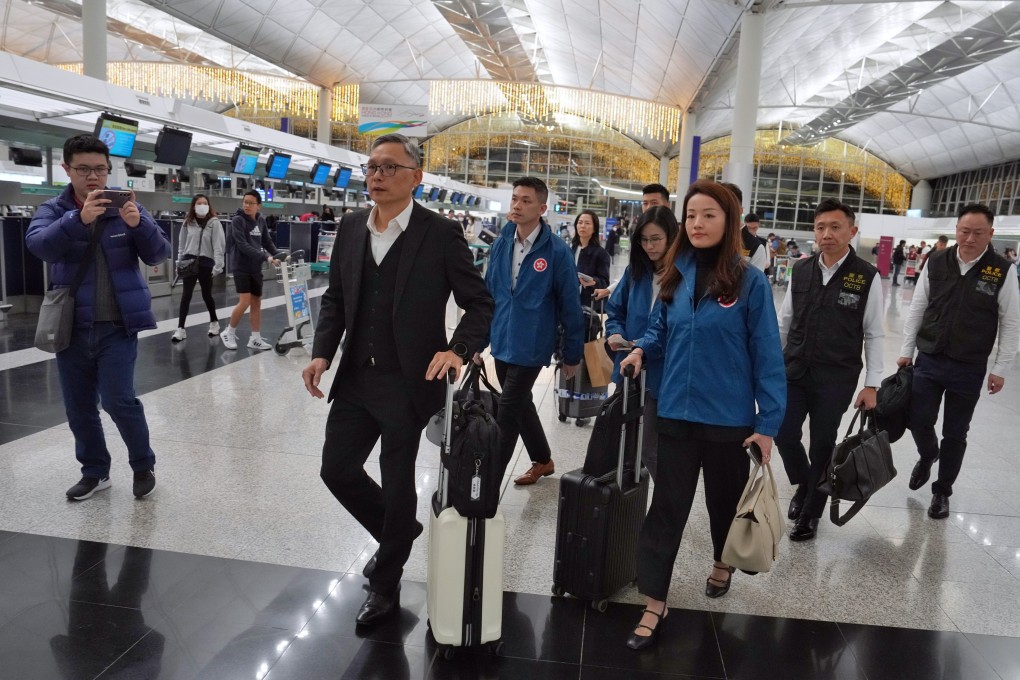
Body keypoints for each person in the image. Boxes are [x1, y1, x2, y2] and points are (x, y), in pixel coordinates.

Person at [301, 133, 493, 626]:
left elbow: (480, 303)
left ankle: (385, 585)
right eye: (371, 168)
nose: (377, 176)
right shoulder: (350, 228)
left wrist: (458, 349)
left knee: (398, 476)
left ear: (416, 176)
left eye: (389, 167)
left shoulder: (439, 233)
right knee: (337, 470)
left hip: (408, 384)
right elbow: (337, 301)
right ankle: (400, 531)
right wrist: (322, 353)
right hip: (356, 381)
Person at [619, 180, 785, 650]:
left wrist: (767, 424)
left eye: (708, 214)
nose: (697, 223)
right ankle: (655, 601)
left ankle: (720, 561)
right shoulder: (675, 272)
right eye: (691, 215)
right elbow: (659, 329)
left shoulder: (749, 281)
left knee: (723, 504)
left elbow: (767, 354)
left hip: (728, 417)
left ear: (728, 220)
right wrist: (641, 352)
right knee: (666, 508)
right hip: (674, 409)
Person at [26, 134, 170, 501]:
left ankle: (142, 465)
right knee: (79, 406)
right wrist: (78, 219)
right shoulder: (55, 210)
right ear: (67, 169)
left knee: (120, 399)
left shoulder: (126, 205)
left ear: (109, 169)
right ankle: (95, 471)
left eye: (100, 169)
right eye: (84, 169)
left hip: (119, 325)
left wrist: (140, 225)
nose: (93, 177)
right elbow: (39, 245)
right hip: (71, 325)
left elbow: (158, 255)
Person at [898, 203, 1019, 519]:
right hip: (930, 357)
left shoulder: (1001, 270)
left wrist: (1001, 369)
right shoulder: (936, 261)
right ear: (956, 230)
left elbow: (1011, 321)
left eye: (978, 233)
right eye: (965, 231)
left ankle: (941, 492)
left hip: (969, 365)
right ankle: (928, 455)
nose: (970, 238)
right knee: (917, 418)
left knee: (955, 431)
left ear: (990, 234)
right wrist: (906, 351)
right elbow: (918, 307)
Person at [774, 199, 885, 541]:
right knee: (783, 432)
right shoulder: (802, 268)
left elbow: (874, 331)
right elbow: (785, 321)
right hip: (793, 368)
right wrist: (771, 364)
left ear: (852, 231)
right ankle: (806, 484)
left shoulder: (866, 275)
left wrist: (872, 384)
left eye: (835, 227)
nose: (827, 234)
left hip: (836, 376)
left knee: (823, 443)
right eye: (821, 227)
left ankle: (811, 512)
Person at [481, 176, 585, 486]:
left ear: (541, 207)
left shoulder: (556, 251)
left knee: (509, 410)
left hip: (533, 344)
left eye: (526, 200)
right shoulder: (501, 243)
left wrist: (572, 353)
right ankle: (543, 460)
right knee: (521, 402)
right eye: (515, 198)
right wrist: (476, 341)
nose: (517, 205)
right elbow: (489, 296)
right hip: (501, 341)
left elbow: (571, 306)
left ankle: (487, 487)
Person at [604, 206, 679, 481]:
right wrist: (615, 333)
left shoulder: (683, 275)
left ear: (672, 236)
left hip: (664, 371)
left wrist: (642, 345)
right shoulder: (636, 271)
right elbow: (615, 310)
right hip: (629, 367)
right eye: (644, 240)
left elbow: (673, 327)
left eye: (656, 239)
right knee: (623, 442)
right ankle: (629, 507)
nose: (649, 246)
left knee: (651, 449)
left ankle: (667, 508)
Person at [221, 191, 280, 351]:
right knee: (245, 301)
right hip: (241, 266)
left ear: (258, 205)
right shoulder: (238, 221)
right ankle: (229, 331)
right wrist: (266, 258)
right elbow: (242, 245)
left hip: (255, 267)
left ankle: (255, 338)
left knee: (256, 302)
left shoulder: (260, 221)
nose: (247, 205)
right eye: (245, 202)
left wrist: (278, 255)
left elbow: (267, 242)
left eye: (250, 203)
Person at [171, 194, 225, 342]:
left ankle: (214, 322)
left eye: (205, 203)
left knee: (206, 295)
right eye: (199, 203)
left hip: (206, 262)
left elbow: (219, 246)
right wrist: (179, 262)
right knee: (186, 295)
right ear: (194, 206)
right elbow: (181, 244)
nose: (202, 205)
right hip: (189, 261)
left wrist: (218, 266)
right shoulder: (187, 222)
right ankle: (181, 328)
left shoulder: (214, 223)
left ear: (209, 205)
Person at [571, 210, 611, 309]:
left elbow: (605, 282)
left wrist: (593, 281)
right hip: (570, 300)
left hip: (589, 304)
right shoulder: (571, 249)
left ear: (594, 229)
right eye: (580, 222)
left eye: (587, 223)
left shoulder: (601, 253)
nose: (583, 226)